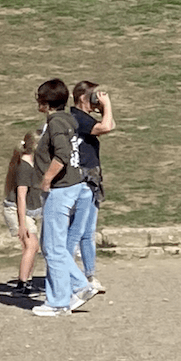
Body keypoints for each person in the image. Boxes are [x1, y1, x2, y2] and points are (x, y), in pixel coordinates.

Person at [31, 78, 96, 317]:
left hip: (60, 189)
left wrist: (47, 179)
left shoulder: (57, 123)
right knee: (51, 246)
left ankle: (61, 300)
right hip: (72, 186)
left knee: (53, 247)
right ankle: (75, 287)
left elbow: (63, 154)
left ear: (45, 102)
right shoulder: (67, 119)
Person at [70, 82, 115, 294]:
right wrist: (107, 104)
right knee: (76, 232)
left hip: (92, 180)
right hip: (81, 180)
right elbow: (105, 127)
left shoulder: (85, 118)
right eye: (93, 97)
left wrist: (104, 108)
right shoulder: (76, 118)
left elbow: (109, 124)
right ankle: (70, 276)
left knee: (88, 232)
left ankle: (89, 275)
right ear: (82, 98)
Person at [1, 133, 42, 296]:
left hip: (26, 211)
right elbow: (21, 197)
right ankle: (22, 284)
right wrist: (22, 224)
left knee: (33, 246)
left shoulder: (32, 164)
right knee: (31, 245)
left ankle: (28, 281)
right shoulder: (24, 168)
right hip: (17, 210)